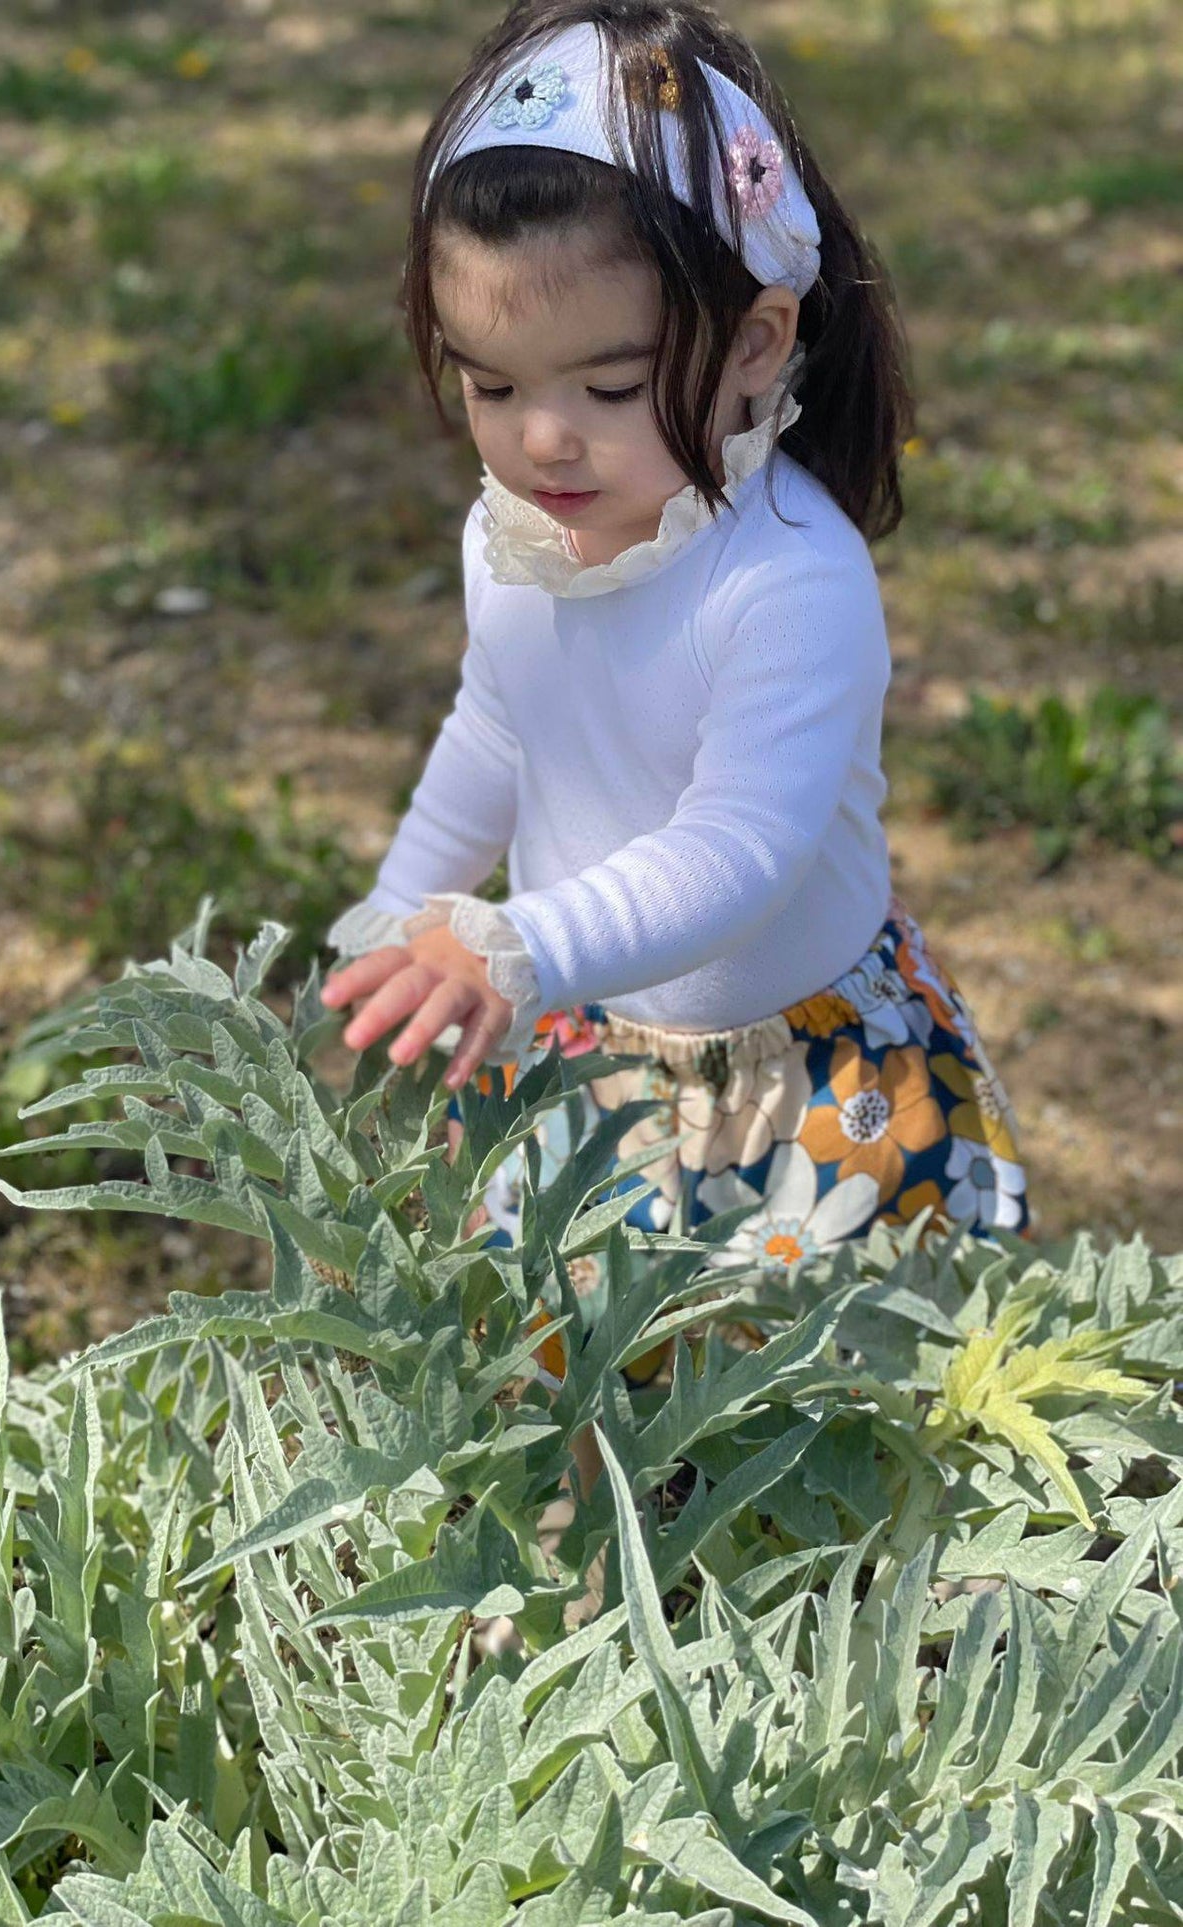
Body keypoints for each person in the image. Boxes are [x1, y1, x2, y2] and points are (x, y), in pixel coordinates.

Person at [318, 0, 1032, 1360]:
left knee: (815, 1435)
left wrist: (526, 943)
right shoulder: (506, 538)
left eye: (607, 385)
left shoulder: (785, 577)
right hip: (587, 1057)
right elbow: (500, 725)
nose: (542, 439)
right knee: (590, 1399)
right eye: (487, 387)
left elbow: (740, 844)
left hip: (804, 1089)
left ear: (755, 342)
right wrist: (408, 903)